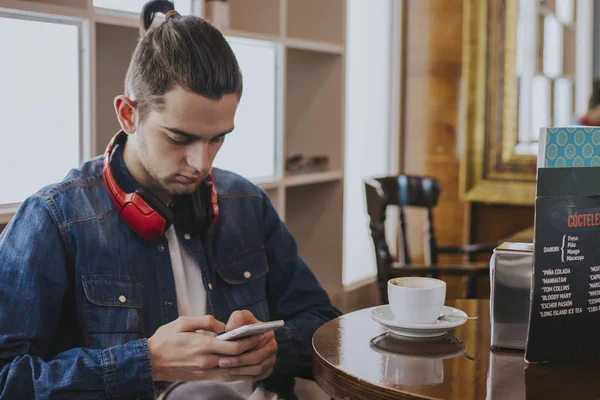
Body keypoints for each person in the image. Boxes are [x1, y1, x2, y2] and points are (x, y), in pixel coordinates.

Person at [0, 1, 341, 399]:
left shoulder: (247, 202)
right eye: (180, 138)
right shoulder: (53, 220)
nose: (201, 163)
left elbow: (326, 328)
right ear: (128, 115)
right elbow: (8, 377)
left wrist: (275, 351)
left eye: (218, 138)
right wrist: (146, 363)